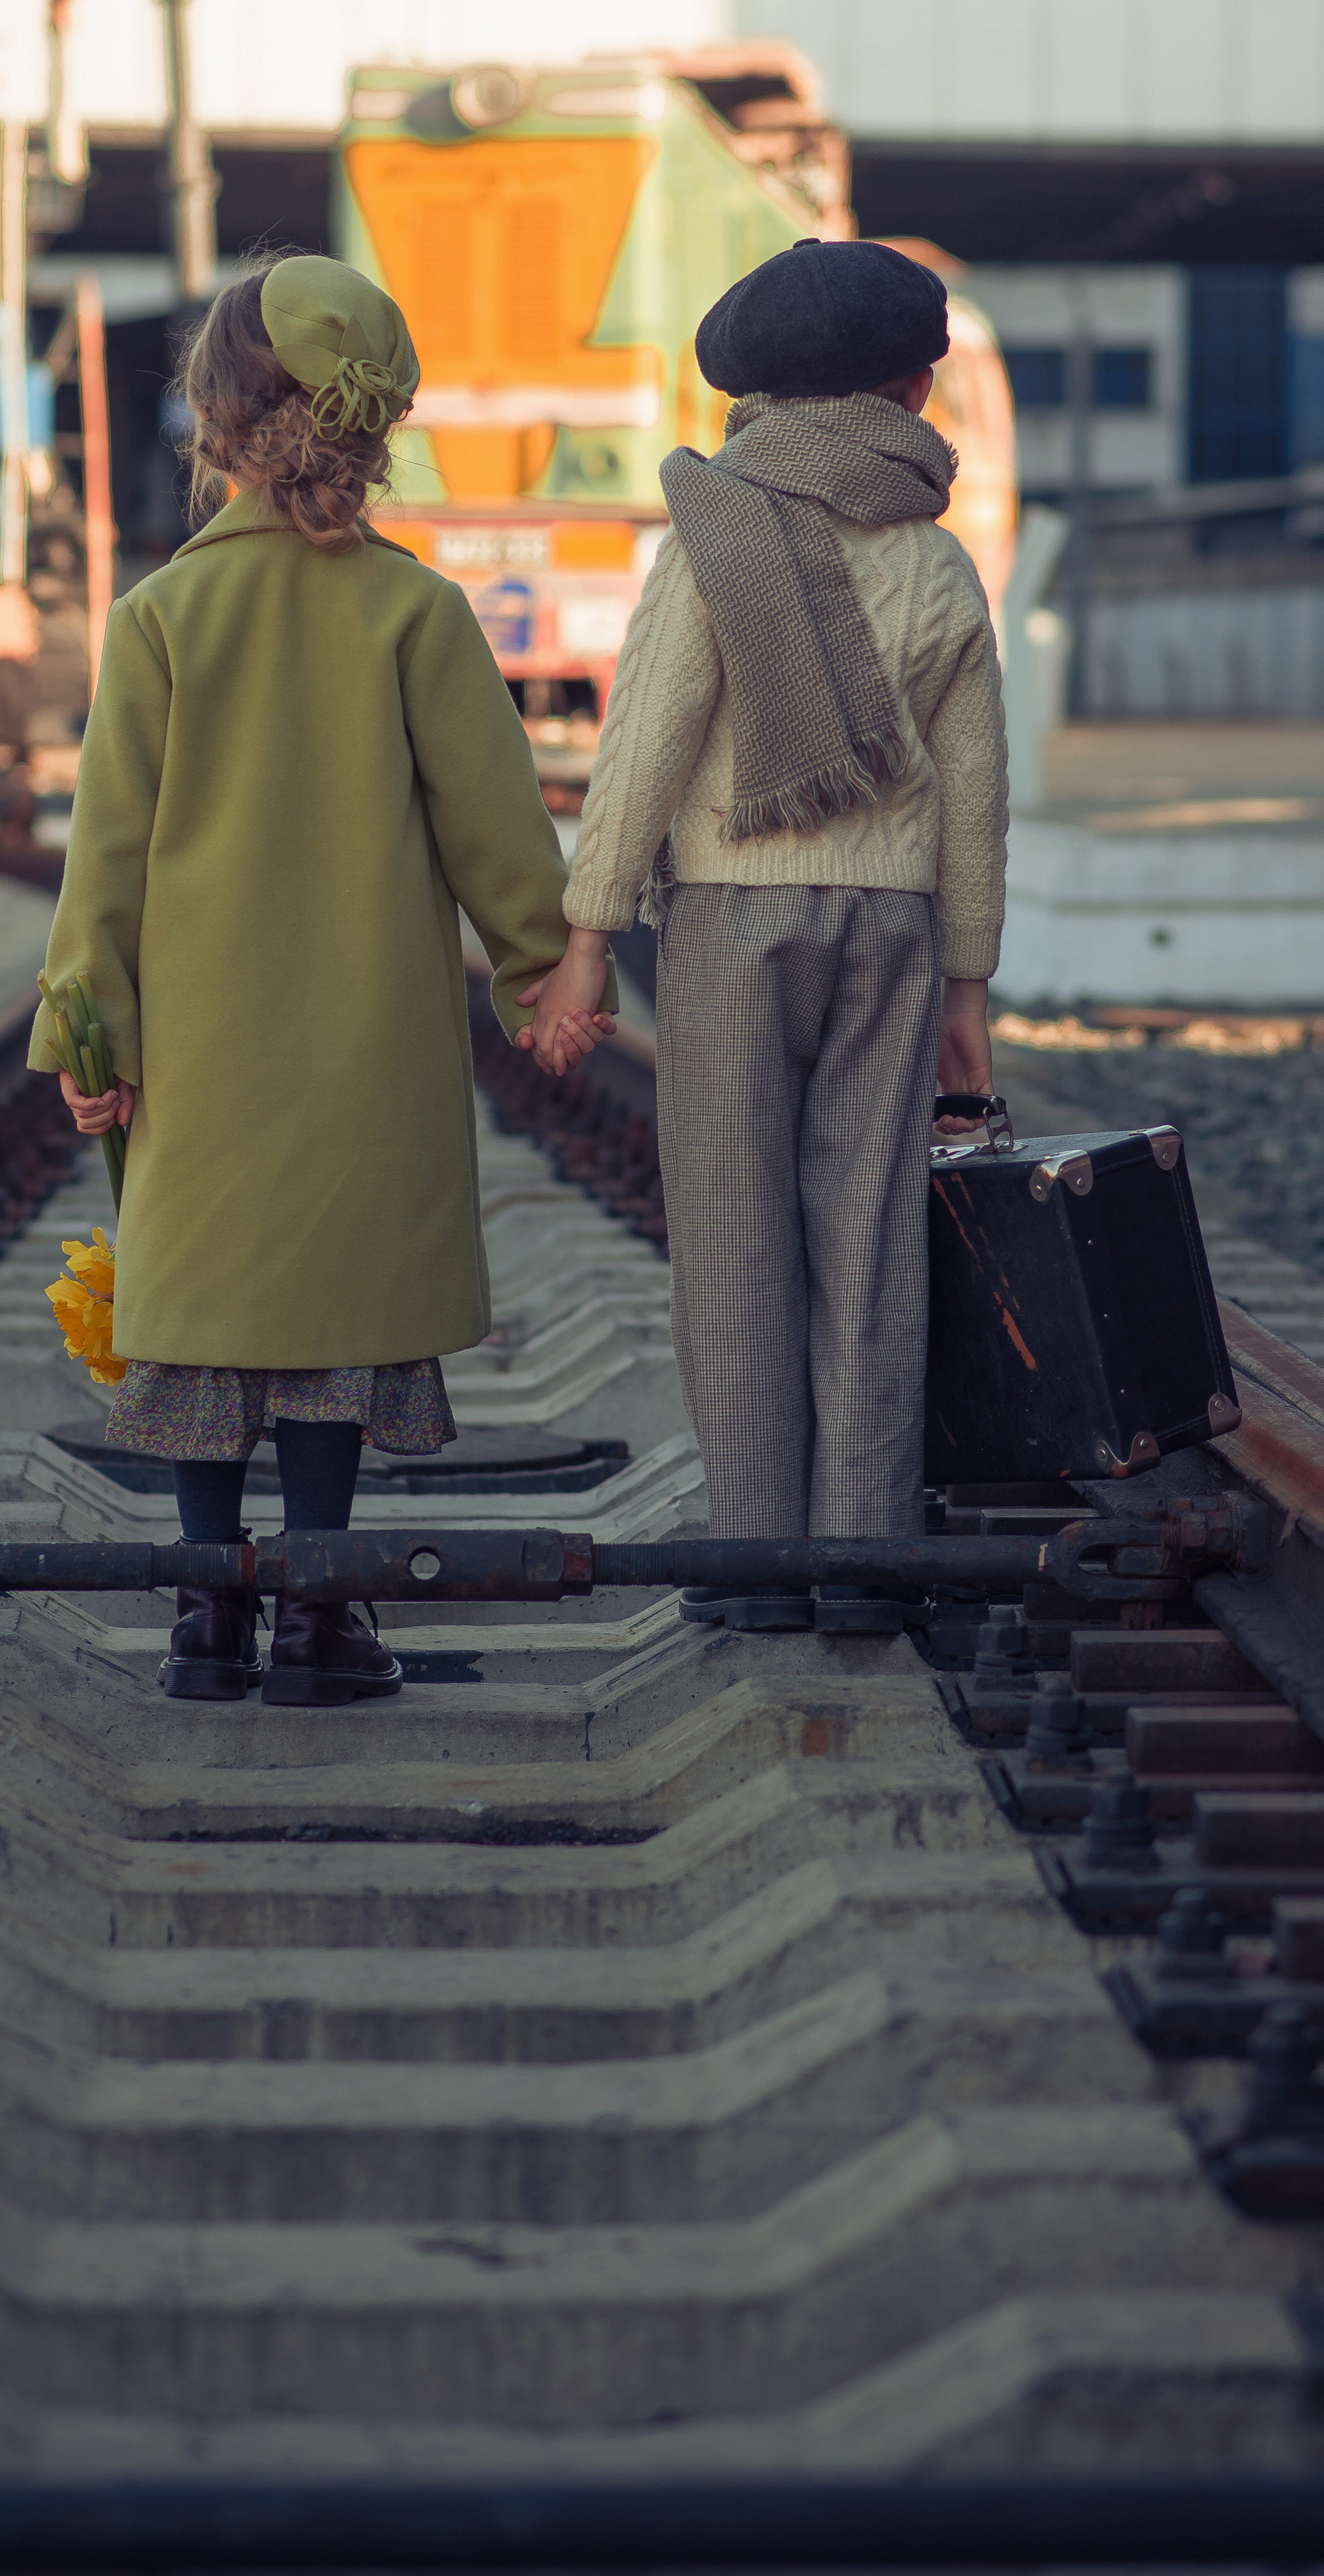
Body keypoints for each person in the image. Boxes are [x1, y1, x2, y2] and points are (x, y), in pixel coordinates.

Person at [29, 252, 616, 1706]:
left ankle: (203, 1619)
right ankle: (318, 1616)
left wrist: (89, 1037)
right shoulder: (412, 612)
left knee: (207, 1315)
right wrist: (541, 981)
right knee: (330, 1321)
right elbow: (496, 831)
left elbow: (103, 856)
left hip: (201, 1053)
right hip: (365, 1050)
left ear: (213, 423)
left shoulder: (158, 617)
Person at [528, 238, 1009, 1634]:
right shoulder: (938, 566)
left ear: (750, 396)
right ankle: (865, 1568)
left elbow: (645, 744)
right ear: (913, 393)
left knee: (736, 1238)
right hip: (891, 925)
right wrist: (967, 985)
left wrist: (586, 934)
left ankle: (753, 1561)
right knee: (870, 1242)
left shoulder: (713, 537)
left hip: (734, 921)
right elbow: (973, 795)